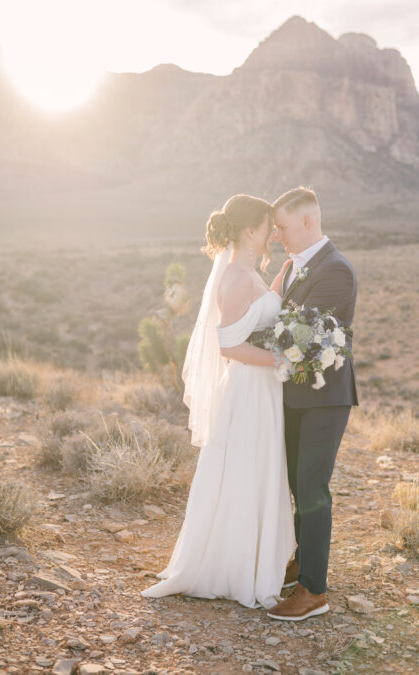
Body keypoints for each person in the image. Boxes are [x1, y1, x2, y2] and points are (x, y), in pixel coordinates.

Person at [141, 194, 296, 609]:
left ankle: (259, 559)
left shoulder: (248, 272)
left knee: (258, 467)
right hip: (247, 388)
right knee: (244, 470)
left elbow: (257, 313)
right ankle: (236, 566)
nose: (272, 234)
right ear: (250, 231)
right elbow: (229, 346)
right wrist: (282, 359)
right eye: (268, 227)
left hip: (261, 388)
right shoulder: (234, 276)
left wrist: (279, 282)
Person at [263, 187, 358, 621]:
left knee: (312, 488)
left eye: (282, 227)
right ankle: (303, 563)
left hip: (323, 399)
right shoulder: (299, 267)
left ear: (307, 221)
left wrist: (243, 338)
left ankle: (313, 592)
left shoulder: (335, 270)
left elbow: (300, 336)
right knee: (298, 486)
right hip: (295, 394)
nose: (278, 235)